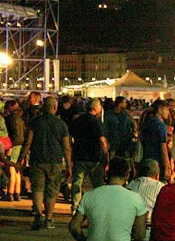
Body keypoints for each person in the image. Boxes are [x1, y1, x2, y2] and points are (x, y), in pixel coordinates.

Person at [69, 158, 146, 241]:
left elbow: (74, 226)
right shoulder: (136, 198)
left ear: (107, 173)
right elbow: (140, 235)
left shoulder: (89, 195)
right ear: (127, 176)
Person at [21, 96, 72, 230]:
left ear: (43, 107)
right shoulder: (61, 124)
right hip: (54, 162)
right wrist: (68, 165)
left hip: (37, 160)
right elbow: (66, 147)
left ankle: (38, 215)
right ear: (55, 107)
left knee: (37, 189)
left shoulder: (35, 122)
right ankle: (49, 219)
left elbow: (28, 142)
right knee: (52, 191)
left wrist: (21, 157)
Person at [69, 99, 110, 214]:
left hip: (79, 155)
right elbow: (102, 140)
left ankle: (75, 206)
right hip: (94, 157)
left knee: (77, 182)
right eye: (100, 107)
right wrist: (106, 155)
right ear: (94, 108)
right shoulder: (97, 122)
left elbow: (70, 136)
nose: (101, 109)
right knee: (97, 184)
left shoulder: (77, 120)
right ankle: (98, 206)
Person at [140, 100, 171, 182]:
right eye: (167, 109)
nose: (168, 112)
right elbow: (163, 148)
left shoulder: (147, 122)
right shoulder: (161, 126)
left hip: (146, 159)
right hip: (157, 162)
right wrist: (167, 167)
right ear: (160, 110)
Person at [3, 100, 24, 202]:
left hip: (13, 146)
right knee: (17, 171)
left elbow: (13, 134)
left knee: (11, 170)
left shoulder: (10, 119)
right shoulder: (21, 120)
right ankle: (17, 193)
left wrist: (9, 148)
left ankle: (10, 193)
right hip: (20, 146)